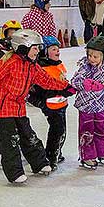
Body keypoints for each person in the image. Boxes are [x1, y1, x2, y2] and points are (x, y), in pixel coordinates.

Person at [0, 29, 71, 183]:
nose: (38, 51)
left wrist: (65, 87)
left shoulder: (32, 66)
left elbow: (46, 80)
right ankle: (15, 173)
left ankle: (40, 163)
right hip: (2, 107)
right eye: (35, 48)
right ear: (23, 47)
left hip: (18, 106)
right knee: (10, 140)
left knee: (28, 135)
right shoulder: (8, 62)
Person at [27, 35, 76, 170]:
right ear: (44, 51)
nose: (57, 51)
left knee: (62, 131)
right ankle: (50, 157)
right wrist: (62, 92)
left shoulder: (58, 64)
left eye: (58, 48)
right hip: (50, 105)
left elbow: (63, 81)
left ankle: (57, 153)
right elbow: (42, 90)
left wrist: (69, 88)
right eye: (53, 49)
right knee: (57, 131)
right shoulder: (41, 68)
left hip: (61, 104)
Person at [71, 36, 104, 169]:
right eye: (89, 55)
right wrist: (87, 84)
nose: (91, 59)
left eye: (95, 56)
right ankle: (87, 155)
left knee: (101, 129)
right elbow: (75, 81)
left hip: (100, 104)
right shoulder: (85, 66)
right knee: (87, 131)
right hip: (85, 105)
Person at [0, 20, 23, 168]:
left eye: (16, 33)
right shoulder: (1, 57)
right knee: (5, 128)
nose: (13, 36)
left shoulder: (20, 55)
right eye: (10, 33)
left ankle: (12, 150)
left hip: (15, 98)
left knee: (15, 127)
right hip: (2, 99)